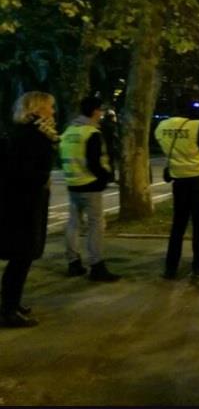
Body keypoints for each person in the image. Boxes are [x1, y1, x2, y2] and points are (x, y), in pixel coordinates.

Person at [0, 92, 59, 328]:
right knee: (21, 256)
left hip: (17, 202)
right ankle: (9, 309)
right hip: (24, 204)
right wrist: (42, 178)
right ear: (38, 109)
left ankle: (11, 303)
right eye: (50, 108)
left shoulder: (21, 133)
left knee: (20, 257)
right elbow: (27, 171)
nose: (53, 112)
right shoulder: (35, 136)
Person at [155, 97, 199, 288]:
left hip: (179, 180)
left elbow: (161, 143)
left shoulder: (162, 126)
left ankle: (171, 267)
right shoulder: (197, 127)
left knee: (178, 225)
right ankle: (198, 268)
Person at [59, 96, 120, 282]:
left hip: (73, 183)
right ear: (95, 111)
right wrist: (105, 178)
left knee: (73, 224)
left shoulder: (69, 131)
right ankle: (97, 265)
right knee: (96, 225)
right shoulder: (91, 133)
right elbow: (94, 162)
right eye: (100, 110)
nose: (101, 113)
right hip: (90, 184)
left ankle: (73, 262)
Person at [99, 108, 120, 182]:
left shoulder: (101, 124)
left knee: (108, 162)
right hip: (111, 146)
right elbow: (115, 136)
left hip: (104, 146)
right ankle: (112, 177)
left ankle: (110, 177)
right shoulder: (112, 125)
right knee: (114, 162)